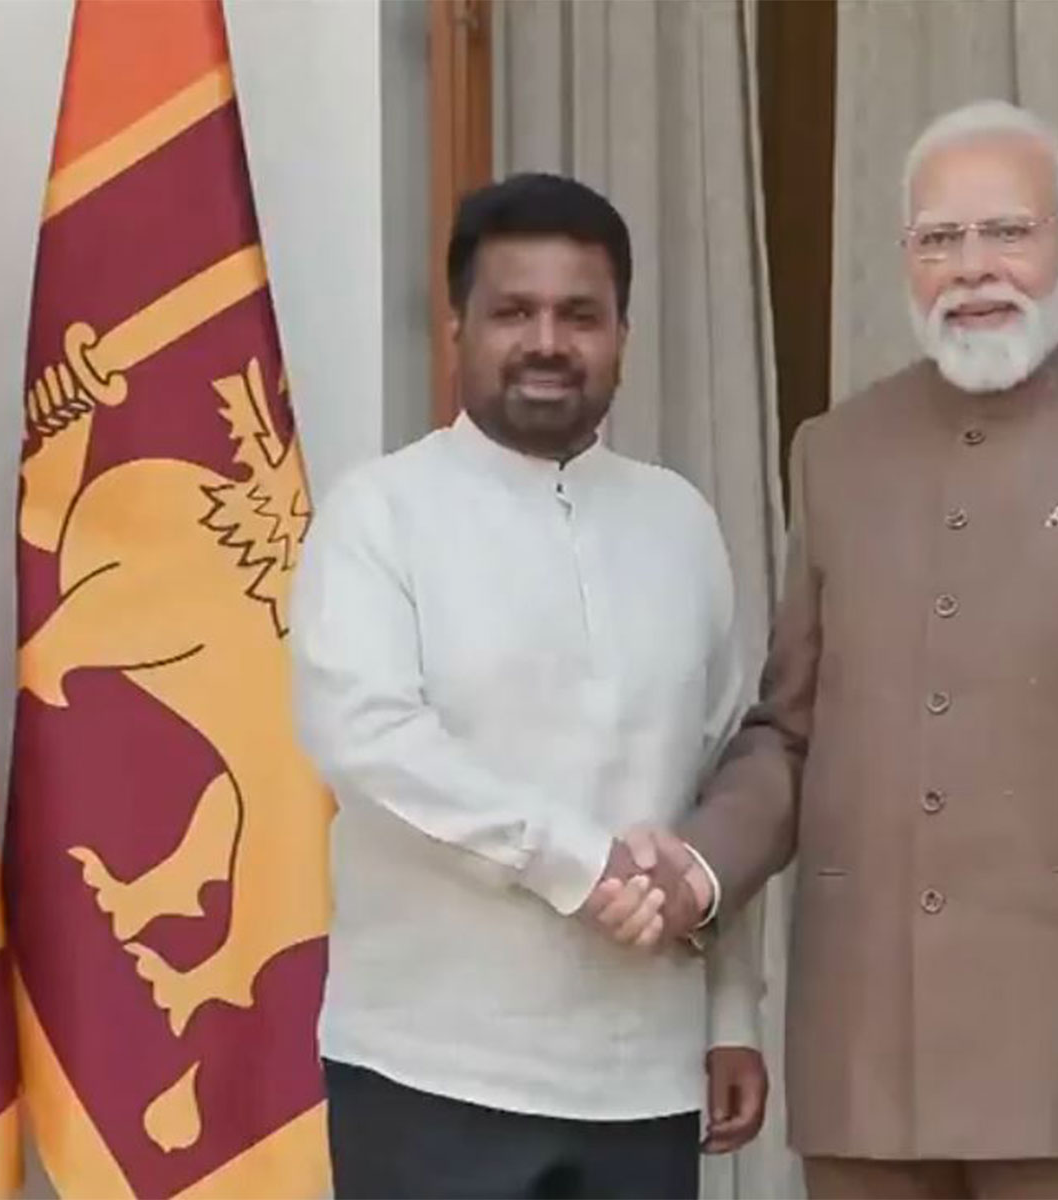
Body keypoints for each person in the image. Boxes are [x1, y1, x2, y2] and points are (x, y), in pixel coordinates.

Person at [654, 100, 1058, 1199]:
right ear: (905, 260)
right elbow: (793, 730)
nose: (972, 270)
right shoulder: (837, 450)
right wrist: (699, 863)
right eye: (937, 241)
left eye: (1006, 232)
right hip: (870, 1069)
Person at [289, 172, 768, 1200]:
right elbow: (367, 737)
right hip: (430, 1070)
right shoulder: (381, 513)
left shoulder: (679, 522)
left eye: (579, 315)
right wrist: (577, 862)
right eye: (514, 312)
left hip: (643, 1074)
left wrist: (731, 1015)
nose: (548, 341)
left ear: (621, 337)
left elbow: (722, 770)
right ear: (457, 326)